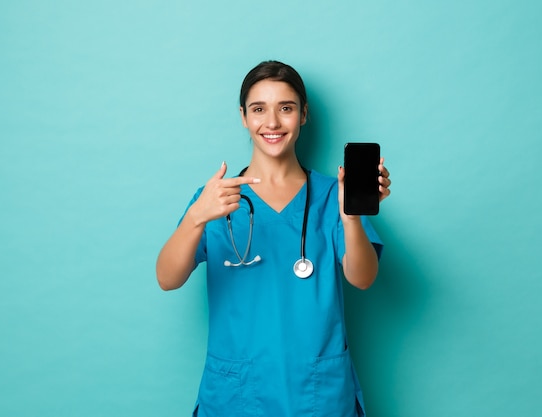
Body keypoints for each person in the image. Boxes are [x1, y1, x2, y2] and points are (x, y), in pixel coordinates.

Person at [156, 60, 391, 417]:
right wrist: (196, 217)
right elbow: (167, 278)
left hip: (316, 392)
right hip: (237, 392)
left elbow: (363, 277)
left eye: (286, 108)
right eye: (258, 109)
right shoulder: (216, 199)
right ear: (243, 116)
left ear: (303, 114)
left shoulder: (331, 196)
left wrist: (350, 217)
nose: (272, 122)